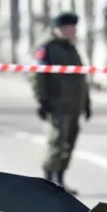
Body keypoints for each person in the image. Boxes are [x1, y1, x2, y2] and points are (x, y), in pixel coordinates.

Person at [29, 11, 91, 195]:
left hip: (74, 105)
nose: (72, 32)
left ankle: (60, 180)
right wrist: (42, 100)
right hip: (56, 105)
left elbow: (80, 79)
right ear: (59, 28)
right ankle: (48, 182)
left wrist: (86, 103)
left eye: (73, 28)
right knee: (56, 143)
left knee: (68, 144)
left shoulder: (71, 48)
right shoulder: (47, 47)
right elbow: (37, 76)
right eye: (69, 28)